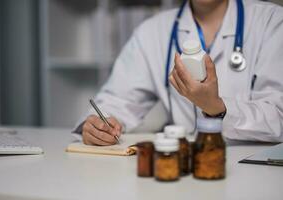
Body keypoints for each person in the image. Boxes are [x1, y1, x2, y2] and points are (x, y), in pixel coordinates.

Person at [74, 0, 283, 145]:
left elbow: (279, 115)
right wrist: (97, 125)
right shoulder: (152, 31)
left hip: (252, 171)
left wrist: (217, 108)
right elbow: (117, 101)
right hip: (180, 169)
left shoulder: (271, 21)